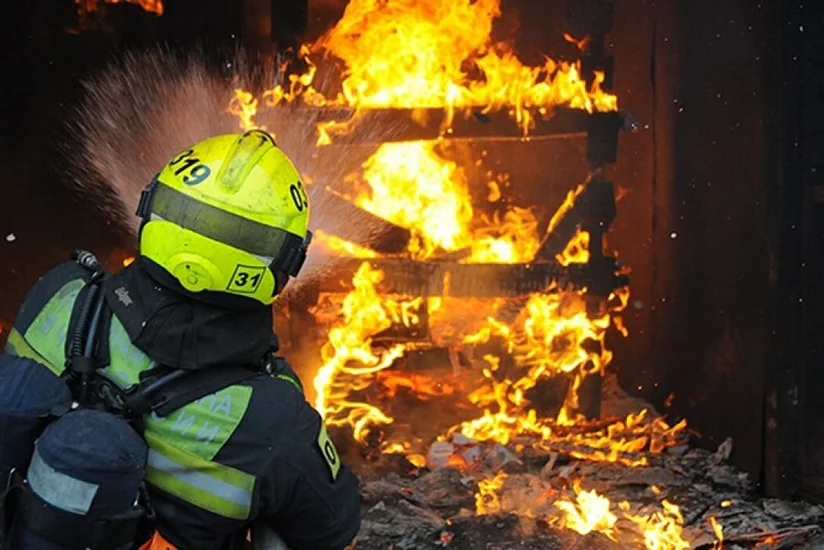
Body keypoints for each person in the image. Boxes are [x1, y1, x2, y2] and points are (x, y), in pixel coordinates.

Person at [0, 130, 361, 550]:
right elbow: (334, 531)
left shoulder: (59, 294)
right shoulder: (274, 421)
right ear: (281, 266)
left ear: (153, 211)